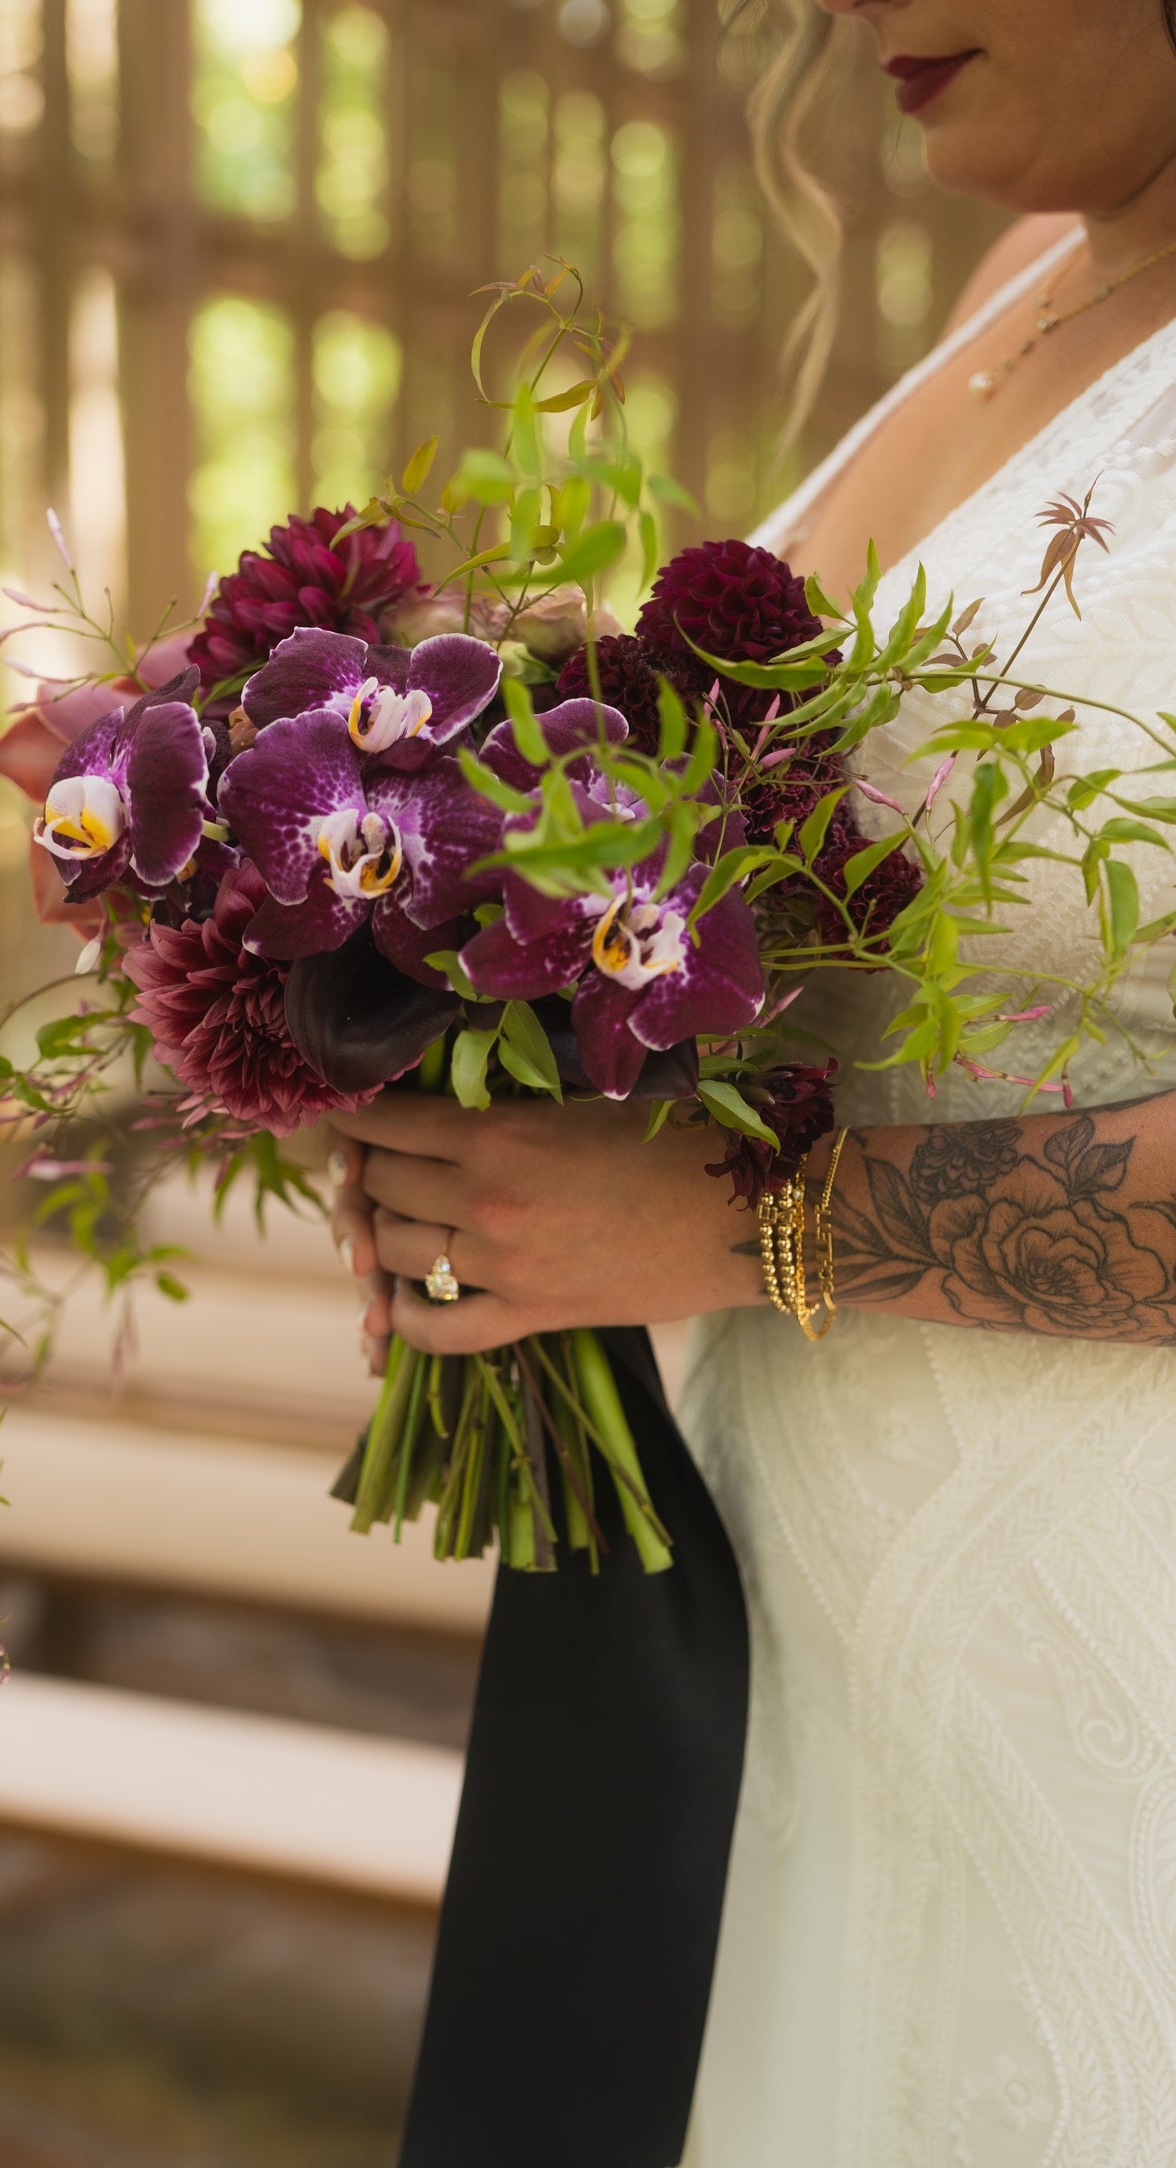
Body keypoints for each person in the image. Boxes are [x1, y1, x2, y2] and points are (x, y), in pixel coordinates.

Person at [329, 2, 1176, 2159]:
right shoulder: (1024, 284)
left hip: (1107, 1655)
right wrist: (478, 1111)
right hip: (770, 1627)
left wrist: (721, 1220)